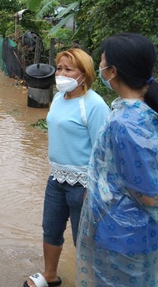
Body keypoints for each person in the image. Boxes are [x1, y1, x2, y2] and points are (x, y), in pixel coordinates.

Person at [76, 33, 158, 286]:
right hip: (137, 233)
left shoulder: (125, 123)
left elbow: (146, 192)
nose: (100, 67)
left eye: (102, 62)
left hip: (122, 232)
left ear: (112, 71)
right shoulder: (141, 111)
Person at [24, 48, 109, 287]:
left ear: (84, 74)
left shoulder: (95, 105)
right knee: (50, 228)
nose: (61, 73)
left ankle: (93, 281)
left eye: (68, 69)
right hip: (57, 178)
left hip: (83, 184)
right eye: (59, 68)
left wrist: (91, 188)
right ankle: (50, 275)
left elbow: (103, 153)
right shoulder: (60, 98)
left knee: (85, 238)